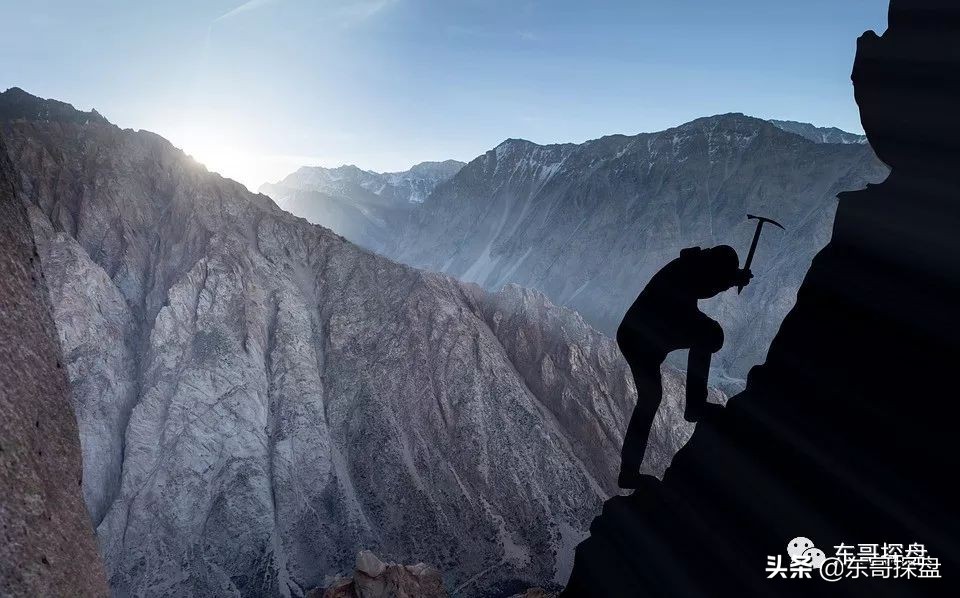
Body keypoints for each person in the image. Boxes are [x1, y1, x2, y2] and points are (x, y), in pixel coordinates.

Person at [616, 245, 751, 489]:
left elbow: (706, 283)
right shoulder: (687, 274)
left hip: (640, 336)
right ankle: (695, 405)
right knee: (710, 335)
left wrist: (732, 278)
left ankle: (629, 471)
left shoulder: (690, 267)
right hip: (641, 339)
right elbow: (705, 286)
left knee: (649, 400)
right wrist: (731, 279)